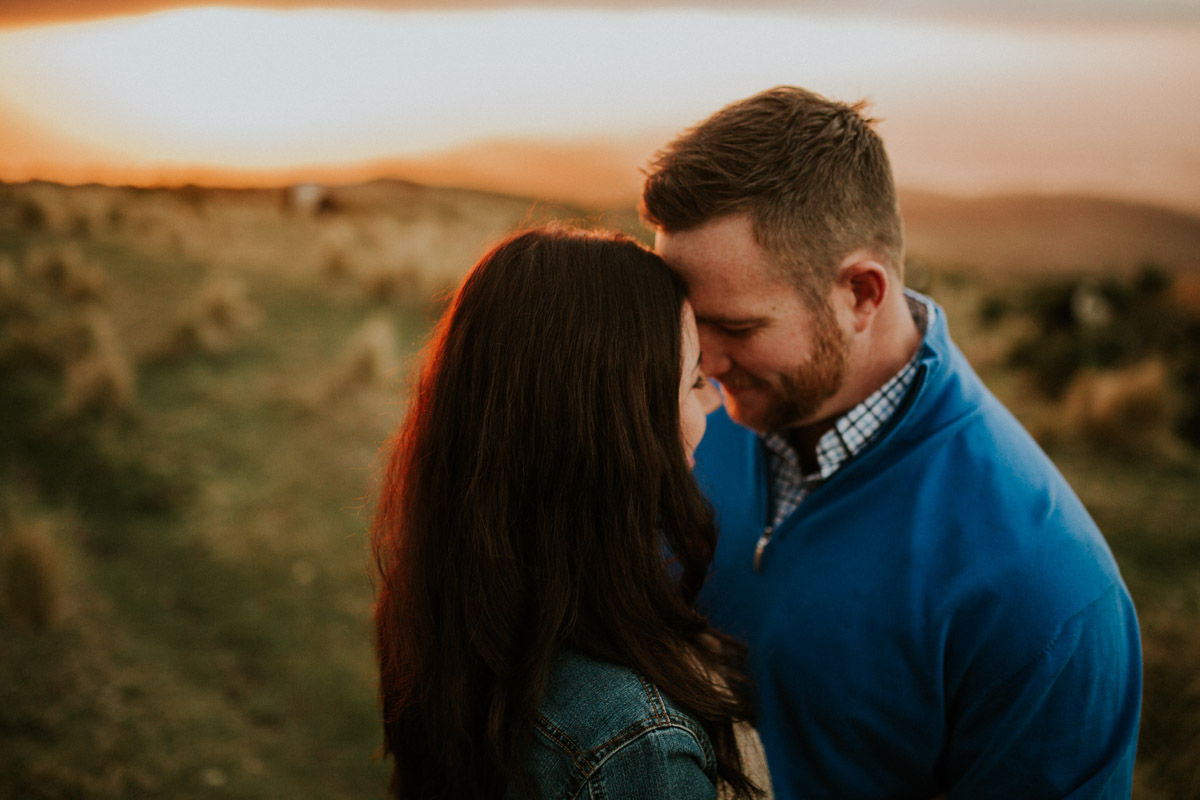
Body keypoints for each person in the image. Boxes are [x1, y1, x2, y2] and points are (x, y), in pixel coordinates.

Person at [641, 86, 1142, 799]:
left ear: (862, 295)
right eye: (692, 326)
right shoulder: (690, 420)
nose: (705, 365)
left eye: (740, 329)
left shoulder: (1047, 595)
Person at [371, 225, 773, 800]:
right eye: (692, 382)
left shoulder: (449, 603)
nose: (708, 409)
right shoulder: (637, 745)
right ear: (614, 418)